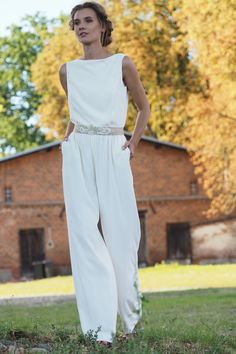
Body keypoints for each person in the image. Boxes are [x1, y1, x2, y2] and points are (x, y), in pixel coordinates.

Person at [58, 1, 150, 349]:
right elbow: (77, 111)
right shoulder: (67, 70)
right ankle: (100, 329)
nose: (80, 26)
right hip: (79, 152)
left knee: (122, 234)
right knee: (83, 236)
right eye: (75, 22)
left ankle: (130, 318)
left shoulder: (121, 63)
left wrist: (133, 146)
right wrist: (67, 140)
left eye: (87, 21)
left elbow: (144, 107)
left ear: (101, 26)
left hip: (114, 149)